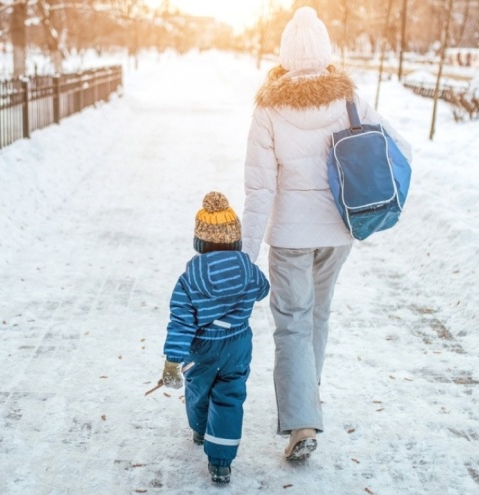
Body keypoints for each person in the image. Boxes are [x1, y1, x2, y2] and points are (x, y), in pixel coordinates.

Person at [241, 7, 413, 461]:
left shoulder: (268, 107)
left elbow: (260, 188)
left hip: (290, 236)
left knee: (292, 323)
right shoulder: (350, 100)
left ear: (284, 55)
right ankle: (307, 401)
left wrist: (246, 254)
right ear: (325, 52)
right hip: (339, 230)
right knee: (317, 316)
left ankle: (302, 420)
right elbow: (401, 147)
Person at [161, 191, 270, 485]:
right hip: (237, 344)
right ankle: (221, 464)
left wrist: (172, 361)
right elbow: (263, 289)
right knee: (230, 397)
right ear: (235, 239)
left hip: (202, 348)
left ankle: (199, 429)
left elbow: (181, 322)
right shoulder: (247, 268)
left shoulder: (189, 278)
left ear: (199, 241)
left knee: (198, 389)